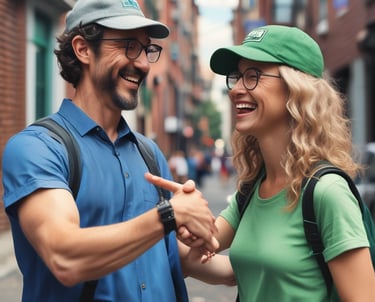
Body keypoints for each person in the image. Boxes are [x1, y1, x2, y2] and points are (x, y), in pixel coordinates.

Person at [1, 1, 226, 301]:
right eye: (129, 46)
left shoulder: (149, 152)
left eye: (147, 49)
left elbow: (172, 255)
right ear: (83, 49)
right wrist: (169, 216)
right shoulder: (37, 148)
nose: (144, 63)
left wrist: (272, 263)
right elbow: (64, 256)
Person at [146, 25, 375, 301]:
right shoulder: (253, 187)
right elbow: (211, 250)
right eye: (237, 77)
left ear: (296, 89)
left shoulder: (327, 192)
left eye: (253, 76)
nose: (236, 90)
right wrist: (176, 214)